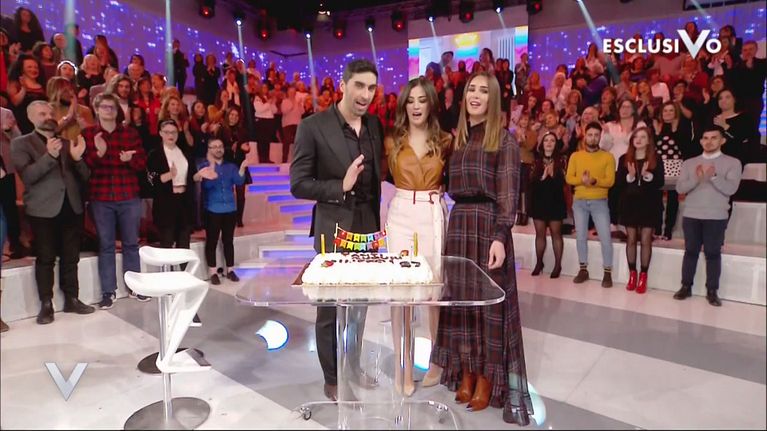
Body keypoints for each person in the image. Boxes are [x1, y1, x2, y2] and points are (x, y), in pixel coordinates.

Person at [431, 71, 533, 423]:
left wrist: (501, 236)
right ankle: (467, 372)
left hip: (487, 226)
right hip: (459, 225)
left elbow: (508, 194)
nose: (476, 95)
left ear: (493, 99)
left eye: (483, 91)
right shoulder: (456, 140)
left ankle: (488, 377)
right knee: (462, 304)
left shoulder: (503, 140)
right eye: (471, 89)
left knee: (488, 306)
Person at [290, 59, 384, 402]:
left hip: (368, 228)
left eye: (371, 88)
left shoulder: (374, 125)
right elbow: (298, 184)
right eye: (359, 85)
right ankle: (332, 379)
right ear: (343, 85)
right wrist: (339, 186)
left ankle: (353, 365)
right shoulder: (313, 126)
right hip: (333, 229)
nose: (365, 94)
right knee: (329, 310)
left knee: (359, 306)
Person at [383, 77, 452, 396]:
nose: (415, 106)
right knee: (401, 295)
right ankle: (403, 365)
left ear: (431, 104)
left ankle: (436, 361)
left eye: (422, 100)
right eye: (410, 100)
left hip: (431, 212)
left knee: (432, 293)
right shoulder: (392, 141)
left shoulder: (446, 140)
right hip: (400, 214)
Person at [10, 100, 94, 324]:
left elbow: (85, 176)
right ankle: (46, 304)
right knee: (46, 258)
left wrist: (78, 159)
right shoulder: (21, 143)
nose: (48, 117)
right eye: (41, 114)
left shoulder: (67, 143)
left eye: (50, 113)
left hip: (71, 206)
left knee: (71, 257)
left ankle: (72, 299)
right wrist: (49, 156)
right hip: (42, 209)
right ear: (30, 118)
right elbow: (28, 176)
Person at [82, 93, 147, 309]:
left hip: (128, 194)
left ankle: (135, 287)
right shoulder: (88, 134)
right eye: (105, 107)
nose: (109, 110)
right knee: (106, 245)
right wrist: (99, 153)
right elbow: (84, 167)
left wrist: (130, 160)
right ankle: (108, 292)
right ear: (96, 109)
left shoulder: (130, 133)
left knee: (131, 243)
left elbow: (142, 163)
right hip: (101, 196)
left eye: (112, 107)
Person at [674, 126, 742, 307]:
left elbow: (731, 189)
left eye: (713, 138)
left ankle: (712, 291)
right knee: (690, 252)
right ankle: (685, 286)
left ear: (722, 140)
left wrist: (714, 177)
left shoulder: (733, 162)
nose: (709, 141)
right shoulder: (690, 163)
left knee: (712, 253)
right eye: (705, 138)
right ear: (700, 141)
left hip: (716, 216)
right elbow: (680, 188)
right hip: (692, 214)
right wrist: (697, 179)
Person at [566, 122, 616, 287]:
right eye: (590, 135)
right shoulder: (575, 156)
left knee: (605, 237)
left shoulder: (608, 157)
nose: (593, 138)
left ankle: (607, 272)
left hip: (599, 202)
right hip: (579, 202)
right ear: (584, 136)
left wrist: (594, 181)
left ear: (600, 137)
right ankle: (583, 269)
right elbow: (569, 178)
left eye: (596, 135)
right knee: (581, 236)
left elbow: (610, 181)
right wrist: (582, 180)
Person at [615, 127, 664, 294]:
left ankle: (643, 276)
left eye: (643, 137)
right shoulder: (624, 159)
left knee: (645, 240)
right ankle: (632, 274)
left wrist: (647, 175)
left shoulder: (656, 158)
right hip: (630, 204)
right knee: (630, 239)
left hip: (649, 204)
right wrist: (630, 176)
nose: (639, 140)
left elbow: (660, 182)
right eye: (636, 136)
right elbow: (619, 183)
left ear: (649, 141)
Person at [198, 138, 248, 284]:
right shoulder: (204, 166)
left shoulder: (230, 166)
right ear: (209, 150)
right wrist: (211, 171)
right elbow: (206, 187)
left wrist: (242, 169)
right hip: (213, 209)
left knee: (228, 241)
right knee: (212, 241)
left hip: (230, 208)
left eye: (220, 146)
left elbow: (239, 181)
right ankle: (213, 272)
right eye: (214, 147)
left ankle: (230, 270)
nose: (218, 149)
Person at [147, 119, 198, 249]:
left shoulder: (184, 152)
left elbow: (192, 175)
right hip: (166, 203)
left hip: (184, 202)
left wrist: (199, 176)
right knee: (167, 242)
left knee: (184, 243)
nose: (171, 135)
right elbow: (150, 180)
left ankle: (184, 264)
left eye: (174, 132)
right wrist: (168, 175)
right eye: (167, 132)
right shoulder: (155, 154)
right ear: (160, 133)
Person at [529, 132, 567, 278]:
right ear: (542, 144)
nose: (549, 143)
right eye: (546, 140)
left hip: (555, 201)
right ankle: (539, 263)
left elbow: (565, 183)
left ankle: (558, 265)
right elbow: (530, 183)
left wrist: (553, 176)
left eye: (552, 140)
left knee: (556, 234)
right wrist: (543, 177)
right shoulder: (536, 161)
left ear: (556, 144)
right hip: (539, 201)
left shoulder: (562, 161)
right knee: (540, 234)